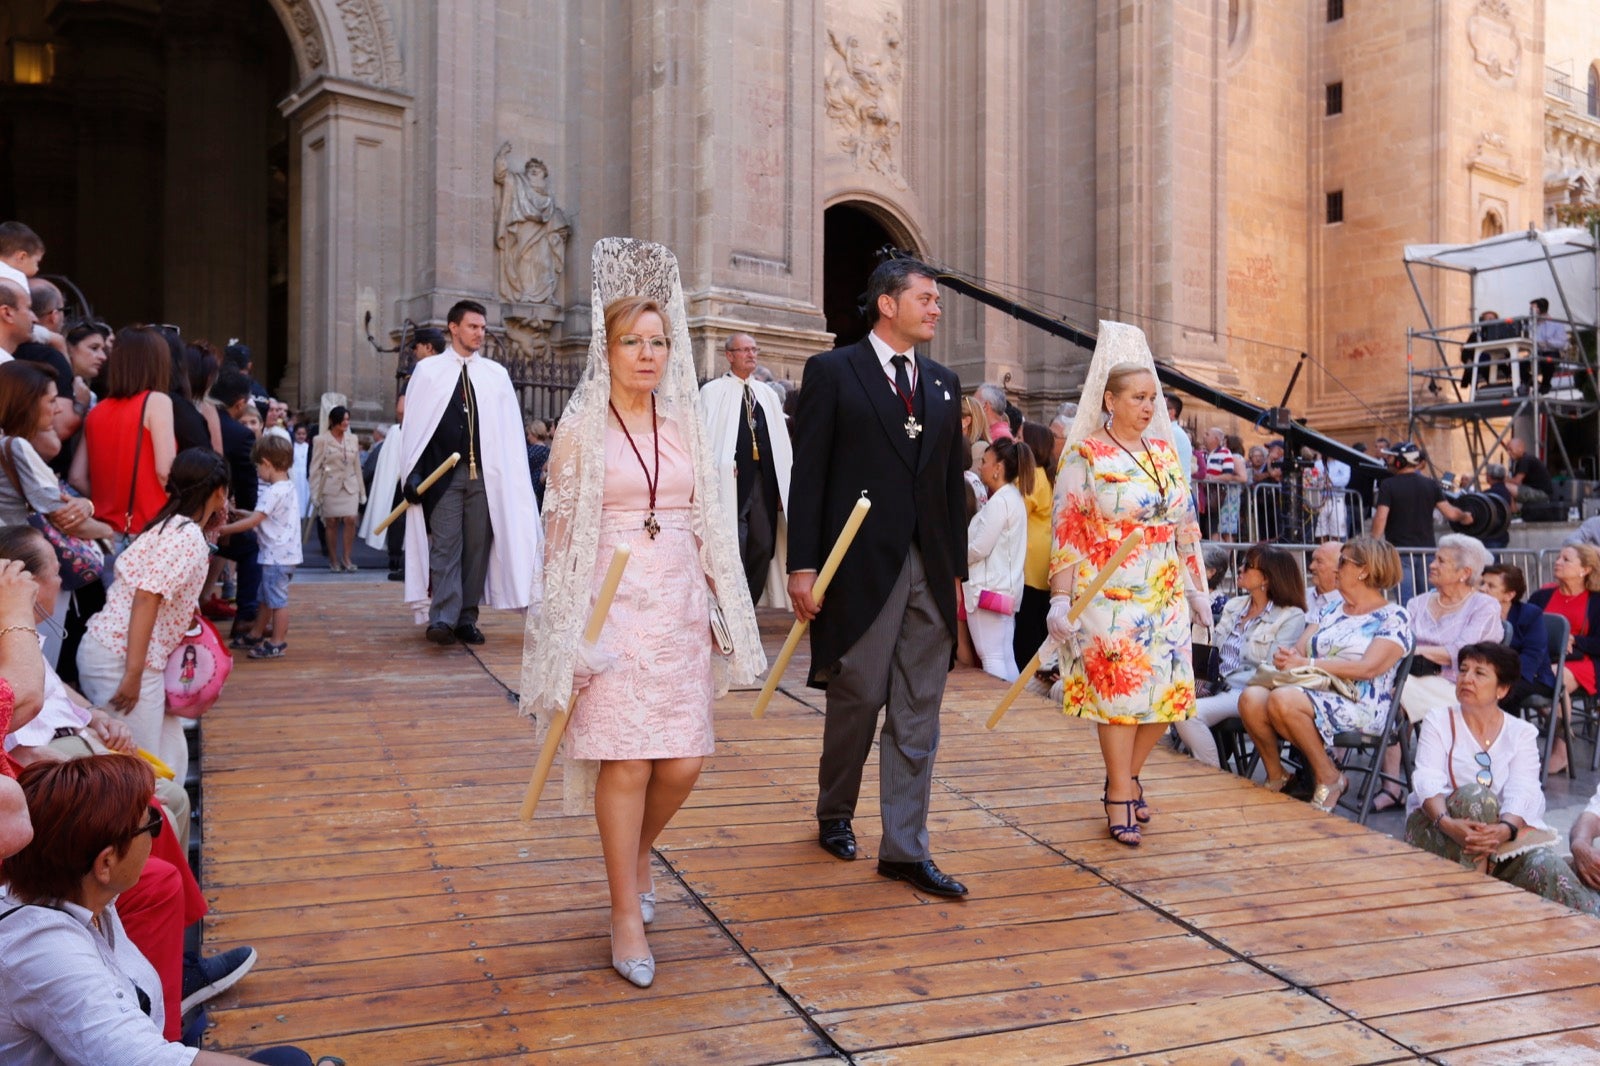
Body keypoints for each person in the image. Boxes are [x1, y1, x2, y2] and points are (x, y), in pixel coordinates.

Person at [518, 238, 763, 988]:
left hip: (679, 604)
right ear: (610, 347)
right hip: (609, 608)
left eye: (659, 343)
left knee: (683, 759)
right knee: (624, 761)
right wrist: (566, 642)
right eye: (634, 342)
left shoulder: (686, 425)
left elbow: (711, 519)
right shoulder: (579, 431)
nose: (649, 355)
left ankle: (637, 851)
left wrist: (726, 603)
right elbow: (558, 545)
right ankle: (625, 909)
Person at [786, 257, 969, 896]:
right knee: (858, 696)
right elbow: (808, 476)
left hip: (930, 569)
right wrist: (802, 565)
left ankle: (904, 847)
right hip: (859, 570)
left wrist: (956, 579)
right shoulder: (833, 372)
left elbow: (951, 489)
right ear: (887, 304)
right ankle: (835, 810)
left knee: (919, 709)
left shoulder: (945, 385)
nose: (936, 308)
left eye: (937, 300)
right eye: (925, 298)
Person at [0, 756, 331, 1065]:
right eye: (151, 825)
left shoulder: (83, 894)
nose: (157, 833)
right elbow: (143, 1060)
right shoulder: (46, 953)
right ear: (106, 862)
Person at [1048, 336, 1209, 847]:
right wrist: (1059, 596)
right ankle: (1120, 790)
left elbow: (1185, 525)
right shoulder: (1085, 454)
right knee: (1120, 696)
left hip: (1163, 591)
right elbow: (1068, 528)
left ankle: (1127, 775)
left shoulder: (1164, 452)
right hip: (1108, 591)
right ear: (1109, 400)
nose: (1147, 407)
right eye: (1137, 397)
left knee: (1169, 698)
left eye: (1151, 398)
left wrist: (1196, 588)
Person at [1405, 643, 1600, 914]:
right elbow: (1426, 779)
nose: (1467, 678)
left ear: (1502, 689)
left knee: (1547, 866)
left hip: (1502, 839)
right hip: (1438, 829)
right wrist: (1448, 823)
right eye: (1463, 670)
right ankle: (1475, 909)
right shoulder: (1438, 720)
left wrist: (1506, 829)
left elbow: (1525, 789)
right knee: (1477, 798)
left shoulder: (1521, 732)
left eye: (1479, 673)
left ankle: (1593, 922)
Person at [76, 450, 230, 786]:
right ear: (220, 491)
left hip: (127, 653)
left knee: (167, 753)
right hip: (125, 658)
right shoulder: (187, 535)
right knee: (138, 771)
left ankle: (167, 830)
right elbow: (146, 598)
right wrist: (132, 674)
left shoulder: (172, 525)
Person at [400, 300, 543, 646]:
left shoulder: (495, 375)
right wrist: (414, 475)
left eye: (482, 327)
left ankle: (466, 618)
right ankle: (442, 618)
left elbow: (508, 433)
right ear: (453, 328)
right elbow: (417, 430)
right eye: (473, 327)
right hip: (444, 475)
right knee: (446, 544)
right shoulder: (429, 372)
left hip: (487, 476)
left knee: (476, 548)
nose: (480, 333)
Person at [1237, 536, 1413, 811]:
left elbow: (1368, 669)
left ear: (1363, 570)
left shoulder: (1393, 616)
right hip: (1313, 691)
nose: (1336, 569)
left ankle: (1329, 776)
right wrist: (1288, 657)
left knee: (1283, 699)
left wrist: (1309, 662)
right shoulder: (1330, 609)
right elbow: (1299, 650)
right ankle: (1278, 775)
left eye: (1343, 562)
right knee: (1251, 697)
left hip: (1362, 703)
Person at [1174, 544, 1306, 769]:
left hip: (1248, 690)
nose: (1240, 569)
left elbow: (1272, 669)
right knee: (1163, 702)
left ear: (1267, 577)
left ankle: (1212, 776)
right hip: (1215, 684)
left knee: (1186, 713)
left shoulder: (1290, 616)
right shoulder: (1234, 606)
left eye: (1248, 565)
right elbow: (1213, 650)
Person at [697, 332, 793, 608]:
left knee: (763, 544)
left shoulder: (767, 395)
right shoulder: (712, 393)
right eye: (744, 350)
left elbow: (780, 443)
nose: (751, 354)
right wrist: (720, 465)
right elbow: (706, 438)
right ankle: (730, 605)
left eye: (754, 349)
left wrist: (782, 484)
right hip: (731, 483)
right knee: (733, 545)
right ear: (729, 355)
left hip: (763, 480)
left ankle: (748, 604)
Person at [71, 326, 177, 541]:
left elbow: (76, 476)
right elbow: (165, 472)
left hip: (105, 534)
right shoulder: (156, 402)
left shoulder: (96, 411)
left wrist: (105, 504)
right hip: (150, 530)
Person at [215, 435, 301, 659]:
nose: (257, 472)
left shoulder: (271, 492)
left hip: (275, 557)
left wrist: (222, 530)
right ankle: (256, 632)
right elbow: (264, 516)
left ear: (267, 463)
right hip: (284, 555)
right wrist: (243, 513)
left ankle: (277, 642)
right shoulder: (287, 487)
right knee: (265, 597)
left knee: (277, 601)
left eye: (257, 467)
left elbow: (255, 521)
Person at [1371, 441, 1472, 602]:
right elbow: (1451, 513)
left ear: (1400, 461)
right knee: (1428, 600)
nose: (1388, 461)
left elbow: (1381, 518)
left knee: (1407, 602)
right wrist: (1466, 516)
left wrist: (1373, 545)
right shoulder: (1430, 484)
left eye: (1391, 458)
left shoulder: (1388, 485)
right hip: (1427, 552)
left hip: (1400, 553)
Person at [965, 438, 1032, 681]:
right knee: (1003, 655)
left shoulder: (1000, 502)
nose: (980, 466)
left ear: (998, 468)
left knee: (992, 657)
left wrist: (956, 554)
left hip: (987, 590)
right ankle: (1010, 711)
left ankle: (998, 710)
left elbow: (979, 547)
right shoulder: (1012, 498)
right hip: (1004, 588)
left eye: (985, 461)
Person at [1529, 544, 1600, 759]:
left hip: (1586, 662)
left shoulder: (1596, 600)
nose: (1557, 562)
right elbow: (1526, 626)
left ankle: (1560, 750)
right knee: (1531, 679)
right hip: (1545, 658)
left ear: (1585, 569)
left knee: (1552, 678)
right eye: (1558, 557)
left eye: (1566, 559)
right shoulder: (1543, 595)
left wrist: (1573, 640)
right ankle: (1563, 732)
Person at [210, 371, 264, 646]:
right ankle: (246, 616)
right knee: (250, 548)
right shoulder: (239, 434)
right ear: (240, 403)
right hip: (213, 514)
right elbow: (246, 481)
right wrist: (246, 514)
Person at [1012, 421, 1057, 669]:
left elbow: (1018, 512)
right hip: (1043, 555)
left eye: (1019, 436)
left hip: (1030, 558)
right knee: (1037, 619)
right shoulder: (1047, 475)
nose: (1016, 440)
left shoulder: (1032, 477)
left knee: (1027, 626)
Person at [308, 405, 363, 573]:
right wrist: (315, 493)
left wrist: (362, 491)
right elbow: (315, 468)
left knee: (351, 519)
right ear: (333, 421)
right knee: (331, 522)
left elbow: (357, 466)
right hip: (330, 487)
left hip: (350, 486)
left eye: (348, 419)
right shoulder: (321, 440)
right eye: (343, 419)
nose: (346, 422)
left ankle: (347, 558)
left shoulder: (353, 439)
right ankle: (333, 559)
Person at [359, 395, 407, 579]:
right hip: (397, 486)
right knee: (398, 521)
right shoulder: (395, 432)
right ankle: (395, 557)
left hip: (416, 483)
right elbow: (380, 460)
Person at [1204, 428, 1247, 542]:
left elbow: (1243, 477)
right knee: (1222, 530)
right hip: (1224, 496)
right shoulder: (1217, 455)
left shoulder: (1234, 458)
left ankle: (1230, 559)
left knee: (1227, 531)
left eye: (1225, 442)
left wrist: (1226, 478)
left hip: (1230, 497)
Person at [1463, 310, 1517, 389]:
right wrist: (1467, 360)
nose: (1490, 321)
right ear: (1482, 320)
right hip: (1479, 362)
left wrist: (1504, 356)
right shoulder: (1475, 335)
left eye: (1492, 319)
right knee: (1472, 369)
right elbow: (1465, 351)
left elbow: (1508, 350)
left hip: (1497, 361)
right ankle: (1476, 392)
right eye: (1487, 319)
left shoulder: (1501, 334)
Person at [1528, 297, 1570, 393]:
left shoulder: (1556, 324)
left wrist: (1548, 343)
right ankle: (1535, 384)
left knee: (1547, 360)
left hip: (1552, 351)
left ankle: (1545, 385)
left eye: (1532, 309)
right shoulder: (1531, 325)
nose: (1530, 311)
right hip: (1535, 352)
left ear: (1541, 309)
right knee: (1521, 362)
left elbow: (1562, 343)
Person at [1506, 437, 1554, 506]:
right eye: (1507, 450)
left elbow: (1517, 481)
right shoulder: (1521, 461)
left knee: (1505, 486)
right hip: (1537, 491)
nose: (1508, 452)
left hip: (1542, 494)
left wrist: (1502, 479)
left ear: (1520, 448)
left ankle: (1515, 512)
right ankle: (1513, 510)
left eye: (1510, 449)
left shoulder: (1525, 460)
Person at [1306, 540, 1343, 622]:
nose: (1311, 566)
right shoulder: (1301, 597)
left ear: (1338, 568)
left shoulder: (1347, 605)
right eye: (1313, 560)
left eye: (1319, 562)